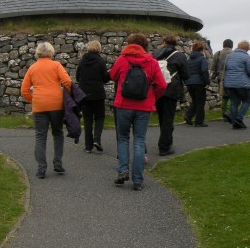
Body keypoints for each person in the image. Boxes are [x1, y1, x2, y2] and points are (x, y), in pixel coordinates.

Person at [109, 33, 166, 191]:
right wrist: (152, 97)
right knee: (139, 141)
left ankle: (122, 171)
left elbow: (112, 75)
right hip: (143, 106)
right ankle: (138, 180)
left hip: (123, 105)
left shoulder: (122, 59)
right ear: (144, 45)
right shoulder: (152, 62)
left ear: (129, 44)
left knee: (123, 139)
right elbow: (161, 85)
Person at [21, 42, 72, 179]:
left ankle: (41, 169)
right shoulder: (56, 65)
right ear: (51, 52)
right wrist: (68, 96)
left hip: (39, 105)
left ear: (38, 52)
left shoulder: (32, 68)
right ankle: (57, 163)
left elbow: (24, 90)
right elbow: (67, 81)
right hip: (56, 104)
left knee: (40, 136)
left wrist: (34, 100)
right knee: (58, 133)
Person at [153, 35, 189, 155]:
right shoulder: (179, 56)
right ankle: (164, 147)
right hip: (171, 90)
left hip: (158, 89)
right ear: (175, 44)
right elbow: (186, 75)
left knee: (162, 118)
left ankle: (167, 141)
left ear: (163, 42)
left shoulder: (155, 54)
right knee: (168, 119)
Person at [75, 40, 110, 153]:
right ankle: (97, 140)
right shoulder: (100, 61)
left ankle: (88, 146)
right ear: (99, 48)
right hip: (97, 93)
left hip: (84, 93)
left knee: (88, 119)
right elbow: (105, 78)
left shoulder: (82, 61)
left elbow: (77, 77)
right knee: (99, 117)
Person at [223, 40, 250, 129]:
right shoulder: (246, 57)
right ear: (247, 48)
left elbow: (224, 67)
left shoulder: (229, 56)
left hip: (229, 83)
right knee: (246, 101)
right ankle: (239, 119)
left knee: (234, 102)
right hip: (242, 84)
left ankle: (235, 123)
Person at [184, 42, 210, 127]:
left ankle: (188, 115)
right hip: (199, 83)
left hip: (189, 83)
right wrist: (207, 81)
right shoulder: (202, 59)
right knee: (200, 102)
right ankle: (199, 121)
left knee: (195, 101)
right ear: (201, 50)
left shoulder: (189, 59)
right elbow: (204, 70)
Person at [211, 39, 233, 122]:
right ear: (232, 45)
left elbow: (213, 67)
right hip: (232, 77)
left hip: (221, 78)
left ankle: (224, 116)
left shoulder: (218, 53)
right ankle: (228, 112)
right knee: (232, 96)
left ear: (223, 45)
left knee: (224, 96)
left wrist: (212, 77)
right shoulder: (234, 54)